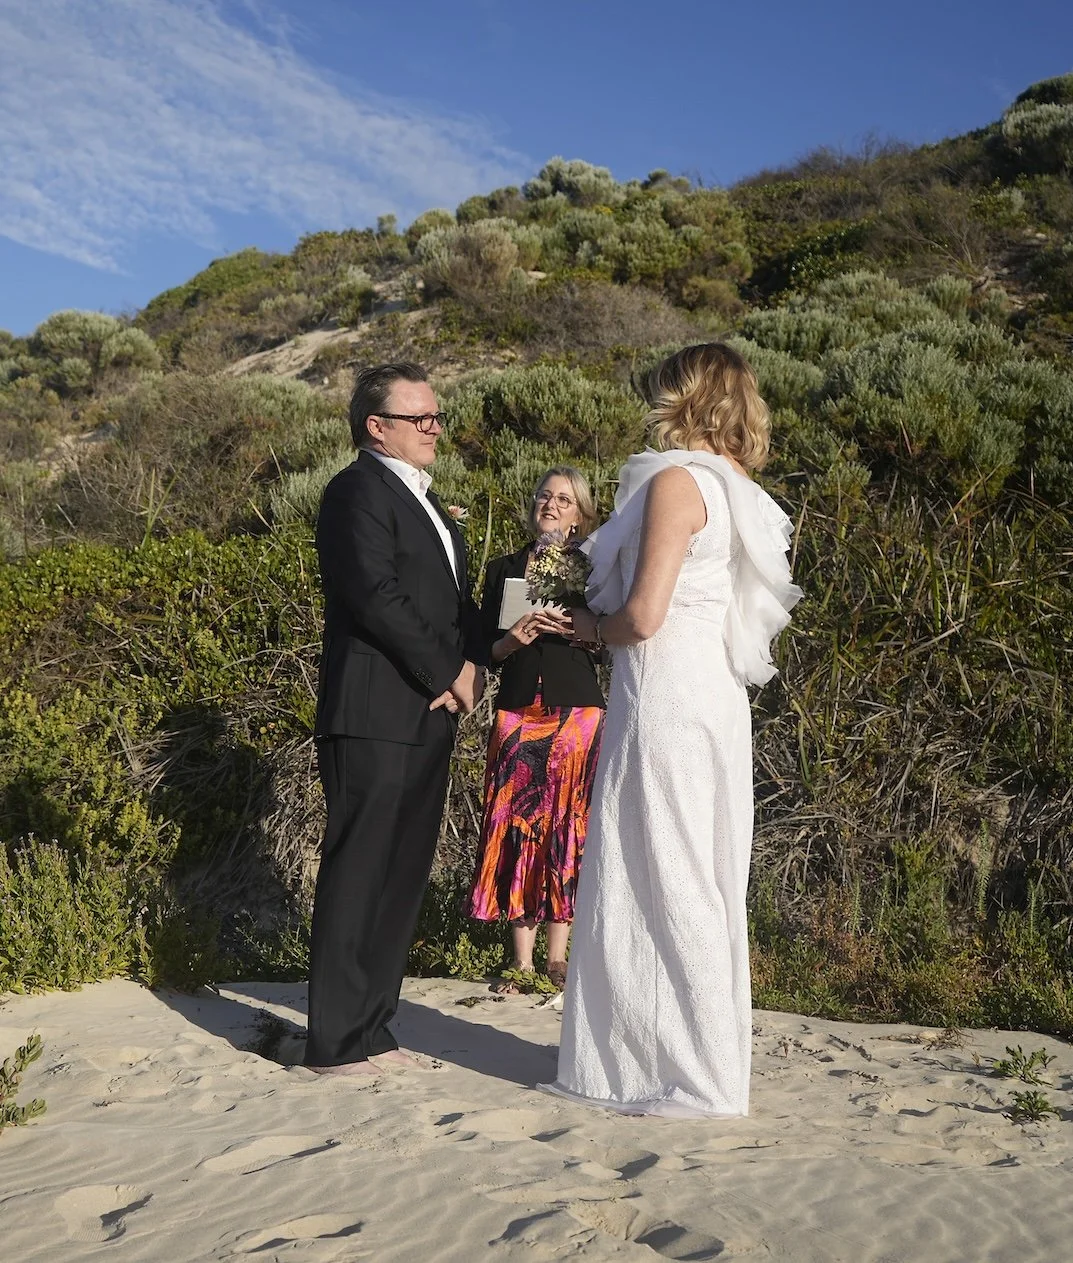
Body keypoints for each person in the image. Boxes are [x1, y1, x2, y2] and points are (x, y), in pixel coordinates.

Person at [544, 343, 802, 1117]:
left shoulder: (677, 482)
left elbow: (643, 615)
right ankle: (667, 1060)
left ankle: (695, 1077)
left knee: (663, 871)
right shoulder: (740, 492)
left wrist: (584, 626)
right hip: (715, 699)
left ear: (680, 395)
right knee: (701, 872)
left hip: (662, 694)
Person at [304, 361, 486, 1076]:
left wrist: (473, 663)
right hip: (373, 709)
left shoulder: (434, 505)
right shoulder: (353, 491)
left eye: (438, 416)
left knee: (402, 871)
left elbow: (453, 603)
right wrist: (445, 670)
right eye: (420, 417)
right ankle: (334, 1042)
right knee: (359, 868)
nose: (434, 427)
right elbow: (374, 595)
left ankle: (374, 1029)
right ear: (376, 427)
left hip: (429, 712)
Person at [465, 468, 606, 992]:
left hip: (577, 711)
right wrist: (512, 641)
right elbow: (485, 649)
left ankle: (557, 959)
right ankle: (521, 962)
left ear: (580, 514)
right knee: (515, 822)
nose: (551, 504)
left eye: (564, 499)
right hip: (519, 708)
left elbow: (614, 642)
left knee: (569, 822)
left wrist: (583, 632)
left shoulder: (595, 569)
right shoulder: (503, 567)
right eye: (545, 495)